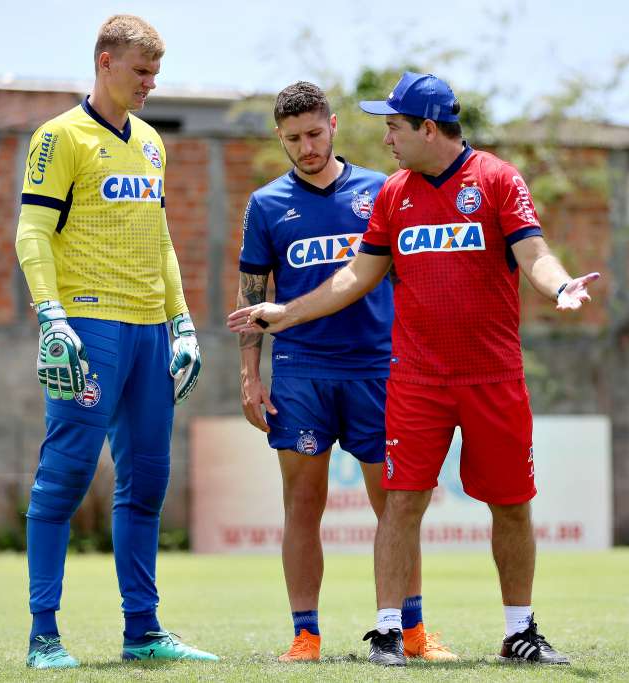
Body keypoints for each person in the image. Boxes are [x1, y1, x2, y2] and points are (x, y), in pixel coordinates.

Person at [229, 71, 600, 667]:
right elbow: (356, 275)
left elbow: (535, 253)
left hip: (487, 375)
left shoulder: (497, 180)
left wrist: (559, 288)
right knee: (401, 501)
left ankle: (517, 630)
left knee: (510, 503)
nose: (387, 138)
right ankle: (384, 633)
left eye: (395, 126)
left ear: (428, 128)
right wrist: (283, 317)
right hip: (413, 380)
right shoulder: (393, 195)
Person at [14, 14, 216, 669]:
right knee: (66, 476)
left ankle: (143, 631)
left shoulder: (153, 142)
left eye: (155, 73)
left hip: (149, 332)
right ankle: (44, 635)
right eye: (141, 71)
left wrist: (181, 320)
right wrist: (52, 315)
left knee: (149, 480)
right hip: (88, 327)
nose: (151, 84)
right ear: (105, 61)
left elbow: (159, 240)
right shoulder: (60, 136)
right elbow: (32, 232)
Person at [234, 81, 456, 663]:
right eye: (292, 139)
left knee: (397, 507)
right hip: (301, 372)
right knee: (302, 506)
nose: (305, 147)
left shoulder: (380, 191)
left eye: (313, 133)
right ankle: (305, 636)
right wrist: (249, 375)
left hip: (380, 371)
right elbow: (253, 298)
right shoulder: (265, 205)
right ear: (278, 138)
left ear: (333, 125)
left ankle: (412, 633)